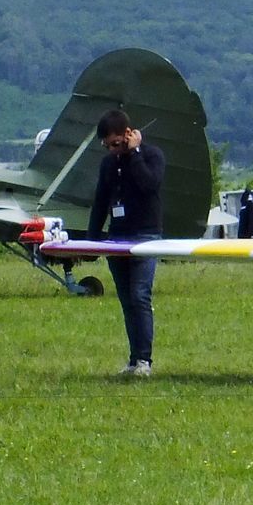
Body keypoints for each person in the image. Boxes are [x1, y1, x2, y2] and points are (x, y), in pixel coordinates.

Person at [89, 108, 165, 377]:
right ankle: (133, 360)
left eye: (117, 143)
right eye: (107, 145)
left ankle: (144, 360)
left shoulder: (152, 156)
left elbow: (149, 185)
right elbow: (100, 202)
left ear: (128, 135)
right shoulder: (108, 164)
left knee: (139, 296)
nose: (112, 149)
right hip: (117, 238)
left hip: (146, 236)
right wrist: (92, 240)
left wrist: (134, 154)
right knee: (126, 300)